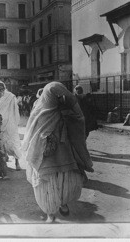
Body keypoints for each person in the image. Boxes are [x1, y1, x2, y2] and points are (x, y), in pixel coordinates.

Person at [21, 82, 94, 223]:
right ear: (48, 96)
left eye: (61, 96)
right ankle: (49, 211)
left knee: (64, 178)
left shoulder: (64, 109)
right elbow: (31, 130)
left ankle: (63, 202)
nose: (60, 99)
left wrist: (71, 115)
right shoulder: (38, 109)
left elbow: (78, 121)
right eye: (56, 96)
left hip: (63, 152)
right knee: (47, 181)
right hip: (45, 154)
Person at [0, 80, 22, 173]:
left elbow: (15, 109)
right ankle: (5, 163)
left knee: (14, 144)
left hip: (10, 124)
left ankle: (17, 163)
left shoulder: (10, 96)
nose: (1, 90)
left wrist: (15, 121)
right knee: (2, 145)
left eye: (2, 88)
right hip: (0, 125)